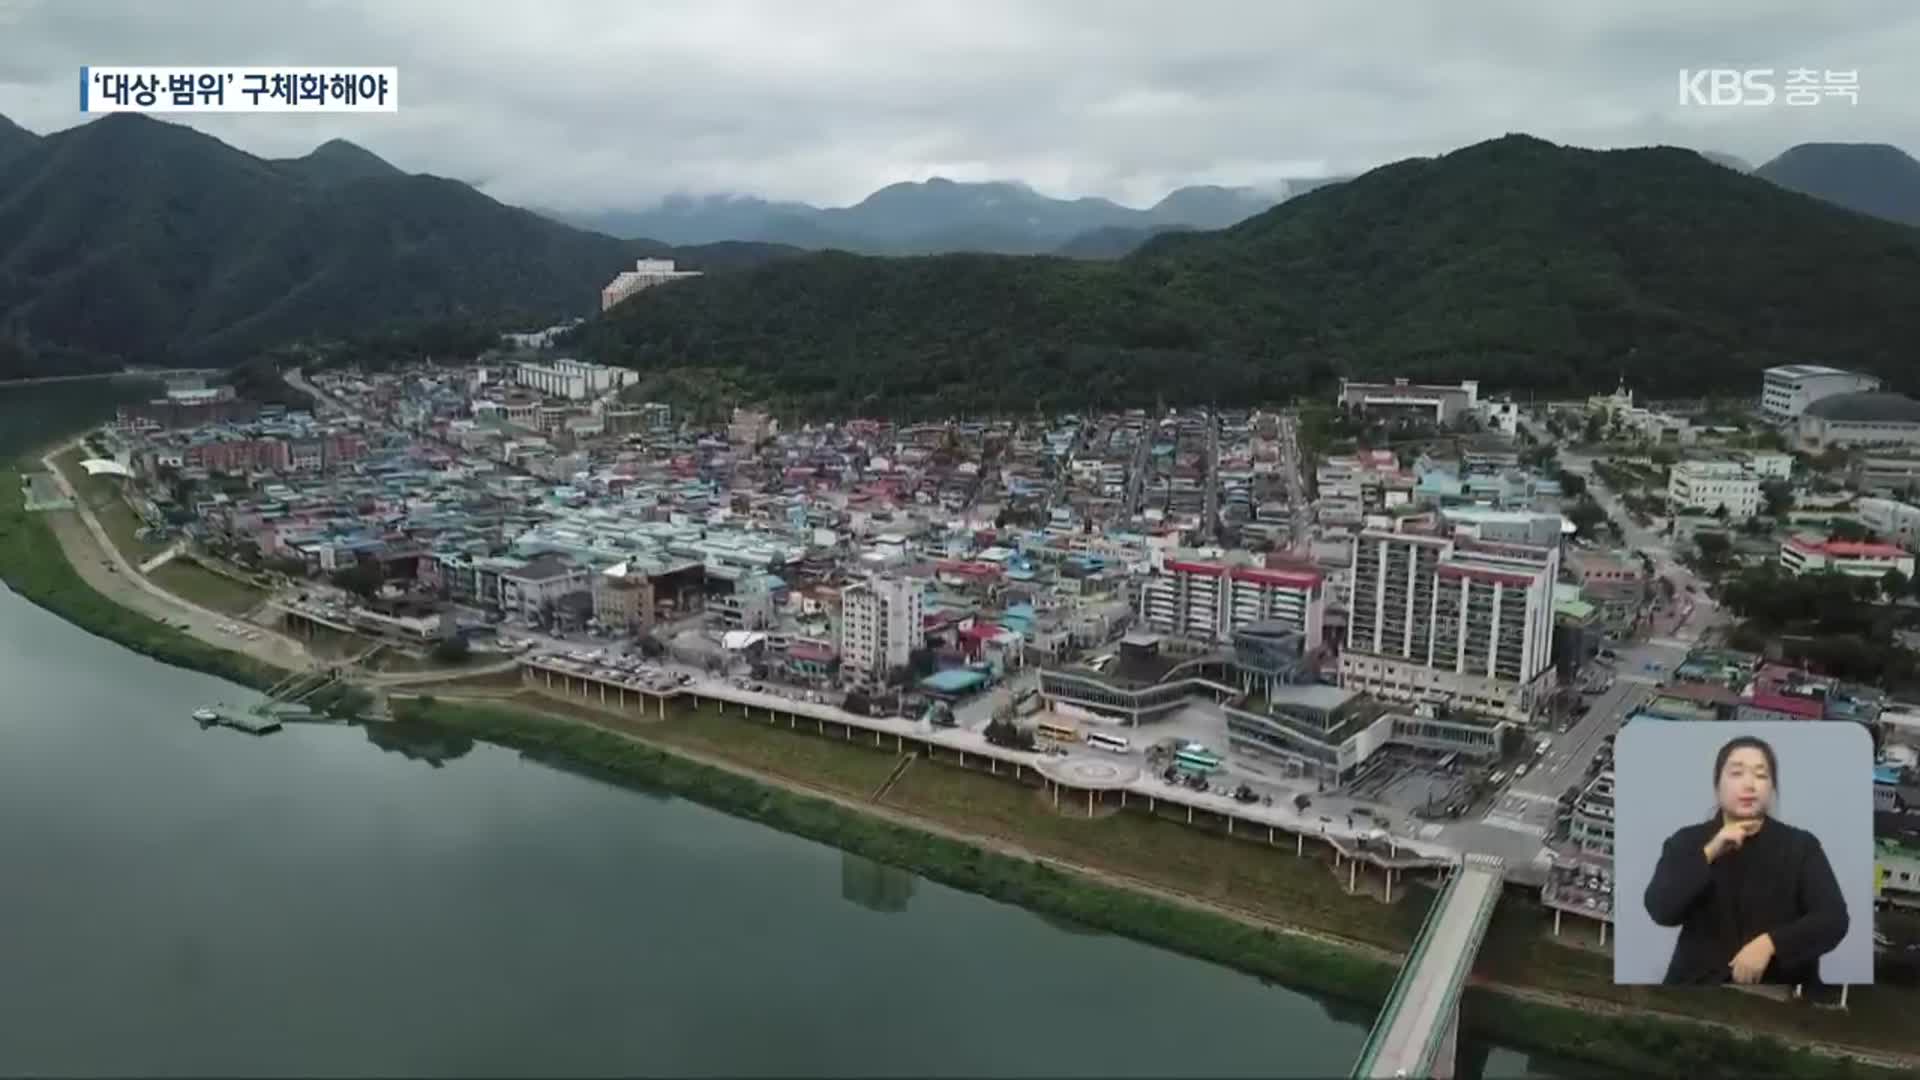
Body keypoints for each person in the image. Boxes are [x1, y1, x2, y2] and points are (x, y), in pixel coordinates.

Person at [1642, 735, 1849, 986]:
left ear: (1772, 788)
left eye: (1761, 776)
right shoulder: (1687, 841)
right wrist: (1709, 852)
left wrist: (1770, 944)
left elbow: (1833, 919)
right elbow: (1661, 909)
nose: (1749, 785)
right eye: (1737, 773)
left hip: (1777, 996)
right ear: (1718, 784)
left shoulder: (1801, 846)